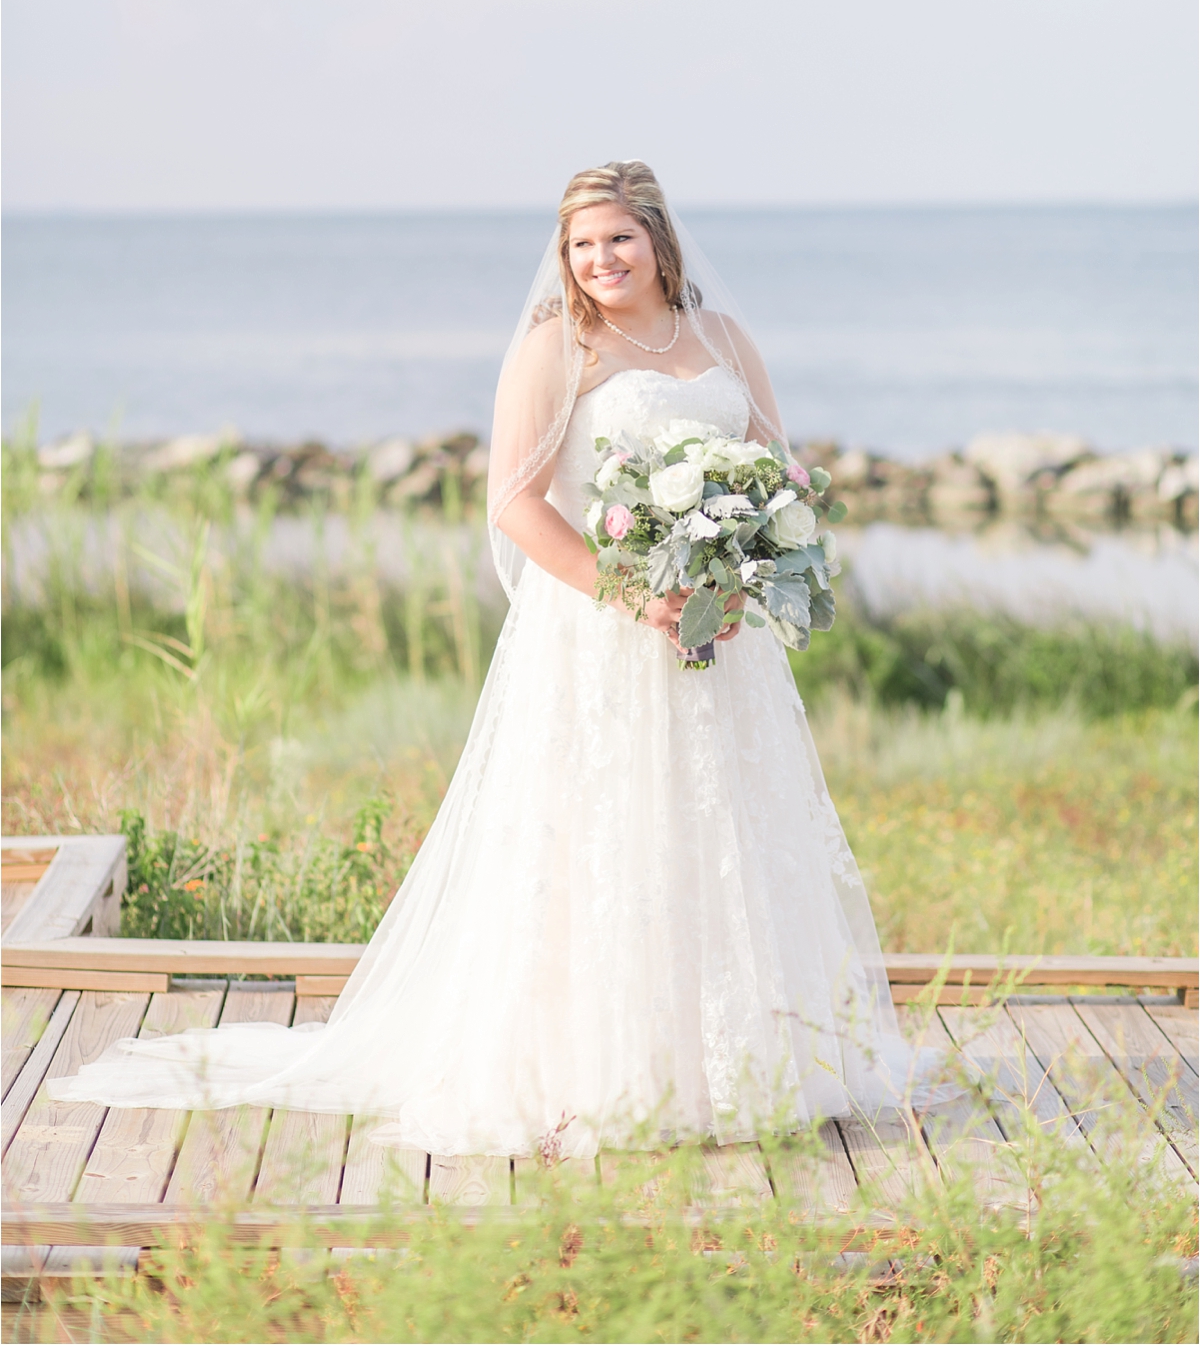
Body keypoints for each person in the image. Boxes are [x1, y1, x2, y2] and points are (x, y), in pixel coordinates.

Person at [50, 161, 912, 1158]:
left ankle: (747, 1058)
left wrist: (740, 563)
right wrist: (637, 594)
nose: (601, 260)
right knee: (602, 843)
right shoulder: (560, 345)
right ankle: (594, 1070)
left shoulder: (723, 340)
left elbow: (775, 472)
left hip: (720, 635)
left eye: (619, 239)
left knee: (724, 830)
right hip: (605, 636)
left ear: (659, 240)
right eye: (582, 244)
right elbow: (514, 500)